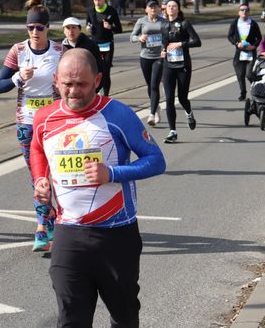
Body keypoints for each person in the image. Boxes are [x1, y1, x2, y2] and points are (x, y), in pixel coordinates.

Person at [30, 48, 166, 327]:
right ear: (56, 80)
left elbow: (156, 161)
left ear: (98, 80)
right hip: (69, 234)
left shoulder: (118, 114)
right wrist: (41, 179)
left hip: (117, 235)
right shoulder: (44, 117)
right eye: (67, 83)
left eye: (81, 84)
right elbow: (38, 149)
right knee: (71, 319)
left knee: (124, 318)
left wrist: (112, 173)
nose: (73, 91)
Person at [0, 0, 63, 252]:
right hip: (26, 123)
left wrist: (61, 83)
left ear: (48, 28)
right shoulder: (18, 51)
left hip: (54, 122)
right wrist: (17, 78)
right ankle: (42, 227)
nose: (34, 32)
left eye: (39, 28)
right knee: (38, 176)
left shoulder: (59, 51)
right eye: (30, 27)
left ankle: (50, 217)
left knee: (55, 173)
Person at [161, 0, 202, 143]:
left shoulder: (185, 24)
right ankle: (172, 131)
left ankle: (189, 113)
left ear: (178, 9)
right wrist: (163, 51)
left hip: (183, 65)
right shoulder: (164, 25)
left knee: (182, 97)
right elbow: (164, 44)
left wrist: (181, 44)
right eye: (169, 6)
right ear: (165, 9)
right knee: (169, 99)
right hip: (168, 66)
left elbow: (197, 42)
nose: (171, 8)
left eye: (174, 6)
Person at [130, 0, 167, 125]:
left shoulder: (164, 21)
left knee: (154, 85)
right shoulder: (141, 21)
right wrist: (140, 38)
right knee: (149, 85)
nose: (153, 9)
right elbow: (132, 37)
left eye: (155, 6)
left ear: (158, 9)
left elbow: (170, 35)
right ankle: (156, 107)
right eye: (150, 7)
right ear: (146, 9)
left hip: (159, 57)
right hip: (145, 56)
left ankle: (152, 114)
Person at [86, 0, 122, 96]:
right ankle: (95, 93)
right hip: (94, 44)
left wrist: (110, 27)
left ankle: (105, 95)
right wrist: (88, 28)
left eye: (99, 0)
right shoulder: (90, 10)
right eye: (95, 0)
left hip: (107, 44)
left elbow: (119, 29)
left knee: (105, 71)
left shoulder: (111, 11)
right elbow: (88, 23)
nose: (97, 3)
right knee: (95, 70)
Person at [227, 3, 262, 101]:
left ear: (249, 12)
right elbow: (229, 36)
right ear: (239, 12)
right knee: (240, 74)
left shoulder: (253, 23)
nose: (244, 12)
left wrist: (253, 46)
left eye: (246, 10)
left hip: (250, 52)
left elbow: (259, 38)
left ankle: (255, 89)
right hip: (239, 52)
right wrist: (236, 43)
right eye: (242, 10)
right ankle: (243, 93)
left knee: (249, 74)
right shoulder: (235, 23)